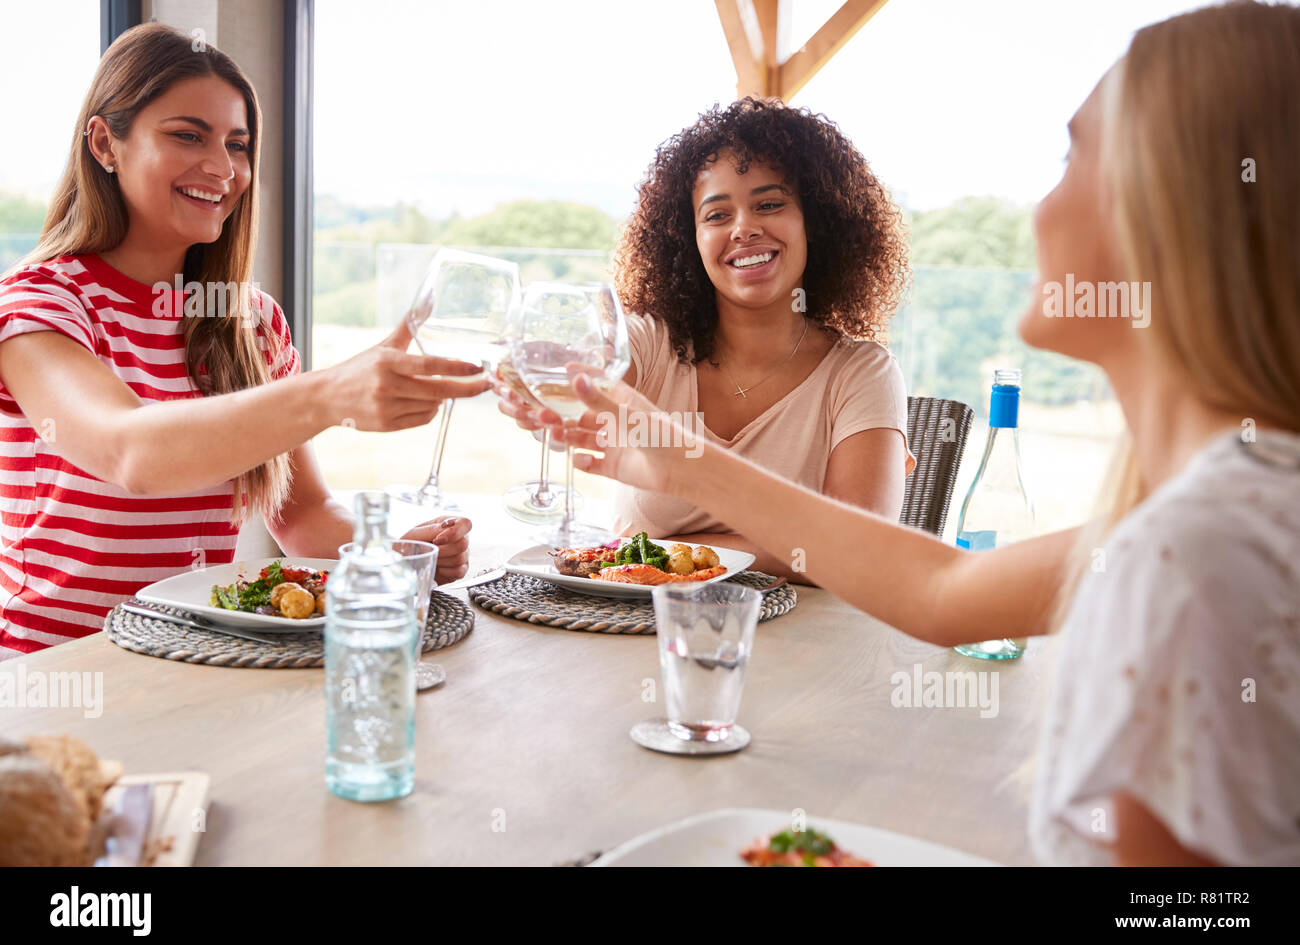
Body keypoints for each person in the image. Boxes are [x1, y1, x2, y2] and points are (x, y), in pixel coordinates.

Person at [560, 1, 1300, 865]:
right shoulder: (1216, 511)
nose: (1039, 202)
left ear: (1179, 207)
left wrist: (686, 467)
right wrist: (687, 463)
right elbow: (945, 593)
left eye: (1073, 157)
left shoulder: (1203, 548)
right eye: (716, 212)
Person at [0, 24, 488, 656]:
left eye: (238, 144)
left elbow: (302, 513)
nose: (222, 168)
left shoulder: (250, 323)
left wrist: (390, 556)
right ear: (105, 144)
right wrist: (329, 394)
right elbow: (131, 455)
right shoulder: (41, 305)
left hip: (202, 658)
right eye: (186, 135)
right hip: (58, 675)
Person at [498, 98, 914, 582]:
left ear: (816, 222)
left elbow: (862, 551)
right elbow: (585, 387)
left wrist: (670, 553)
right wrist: (539, 385)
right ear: (687, 238)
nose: (744, 228)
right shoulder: (649, 343)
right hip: (630, 633)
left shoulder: (861, 372)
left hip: (802, 644)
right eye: (716, 215)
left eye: (770, 204)